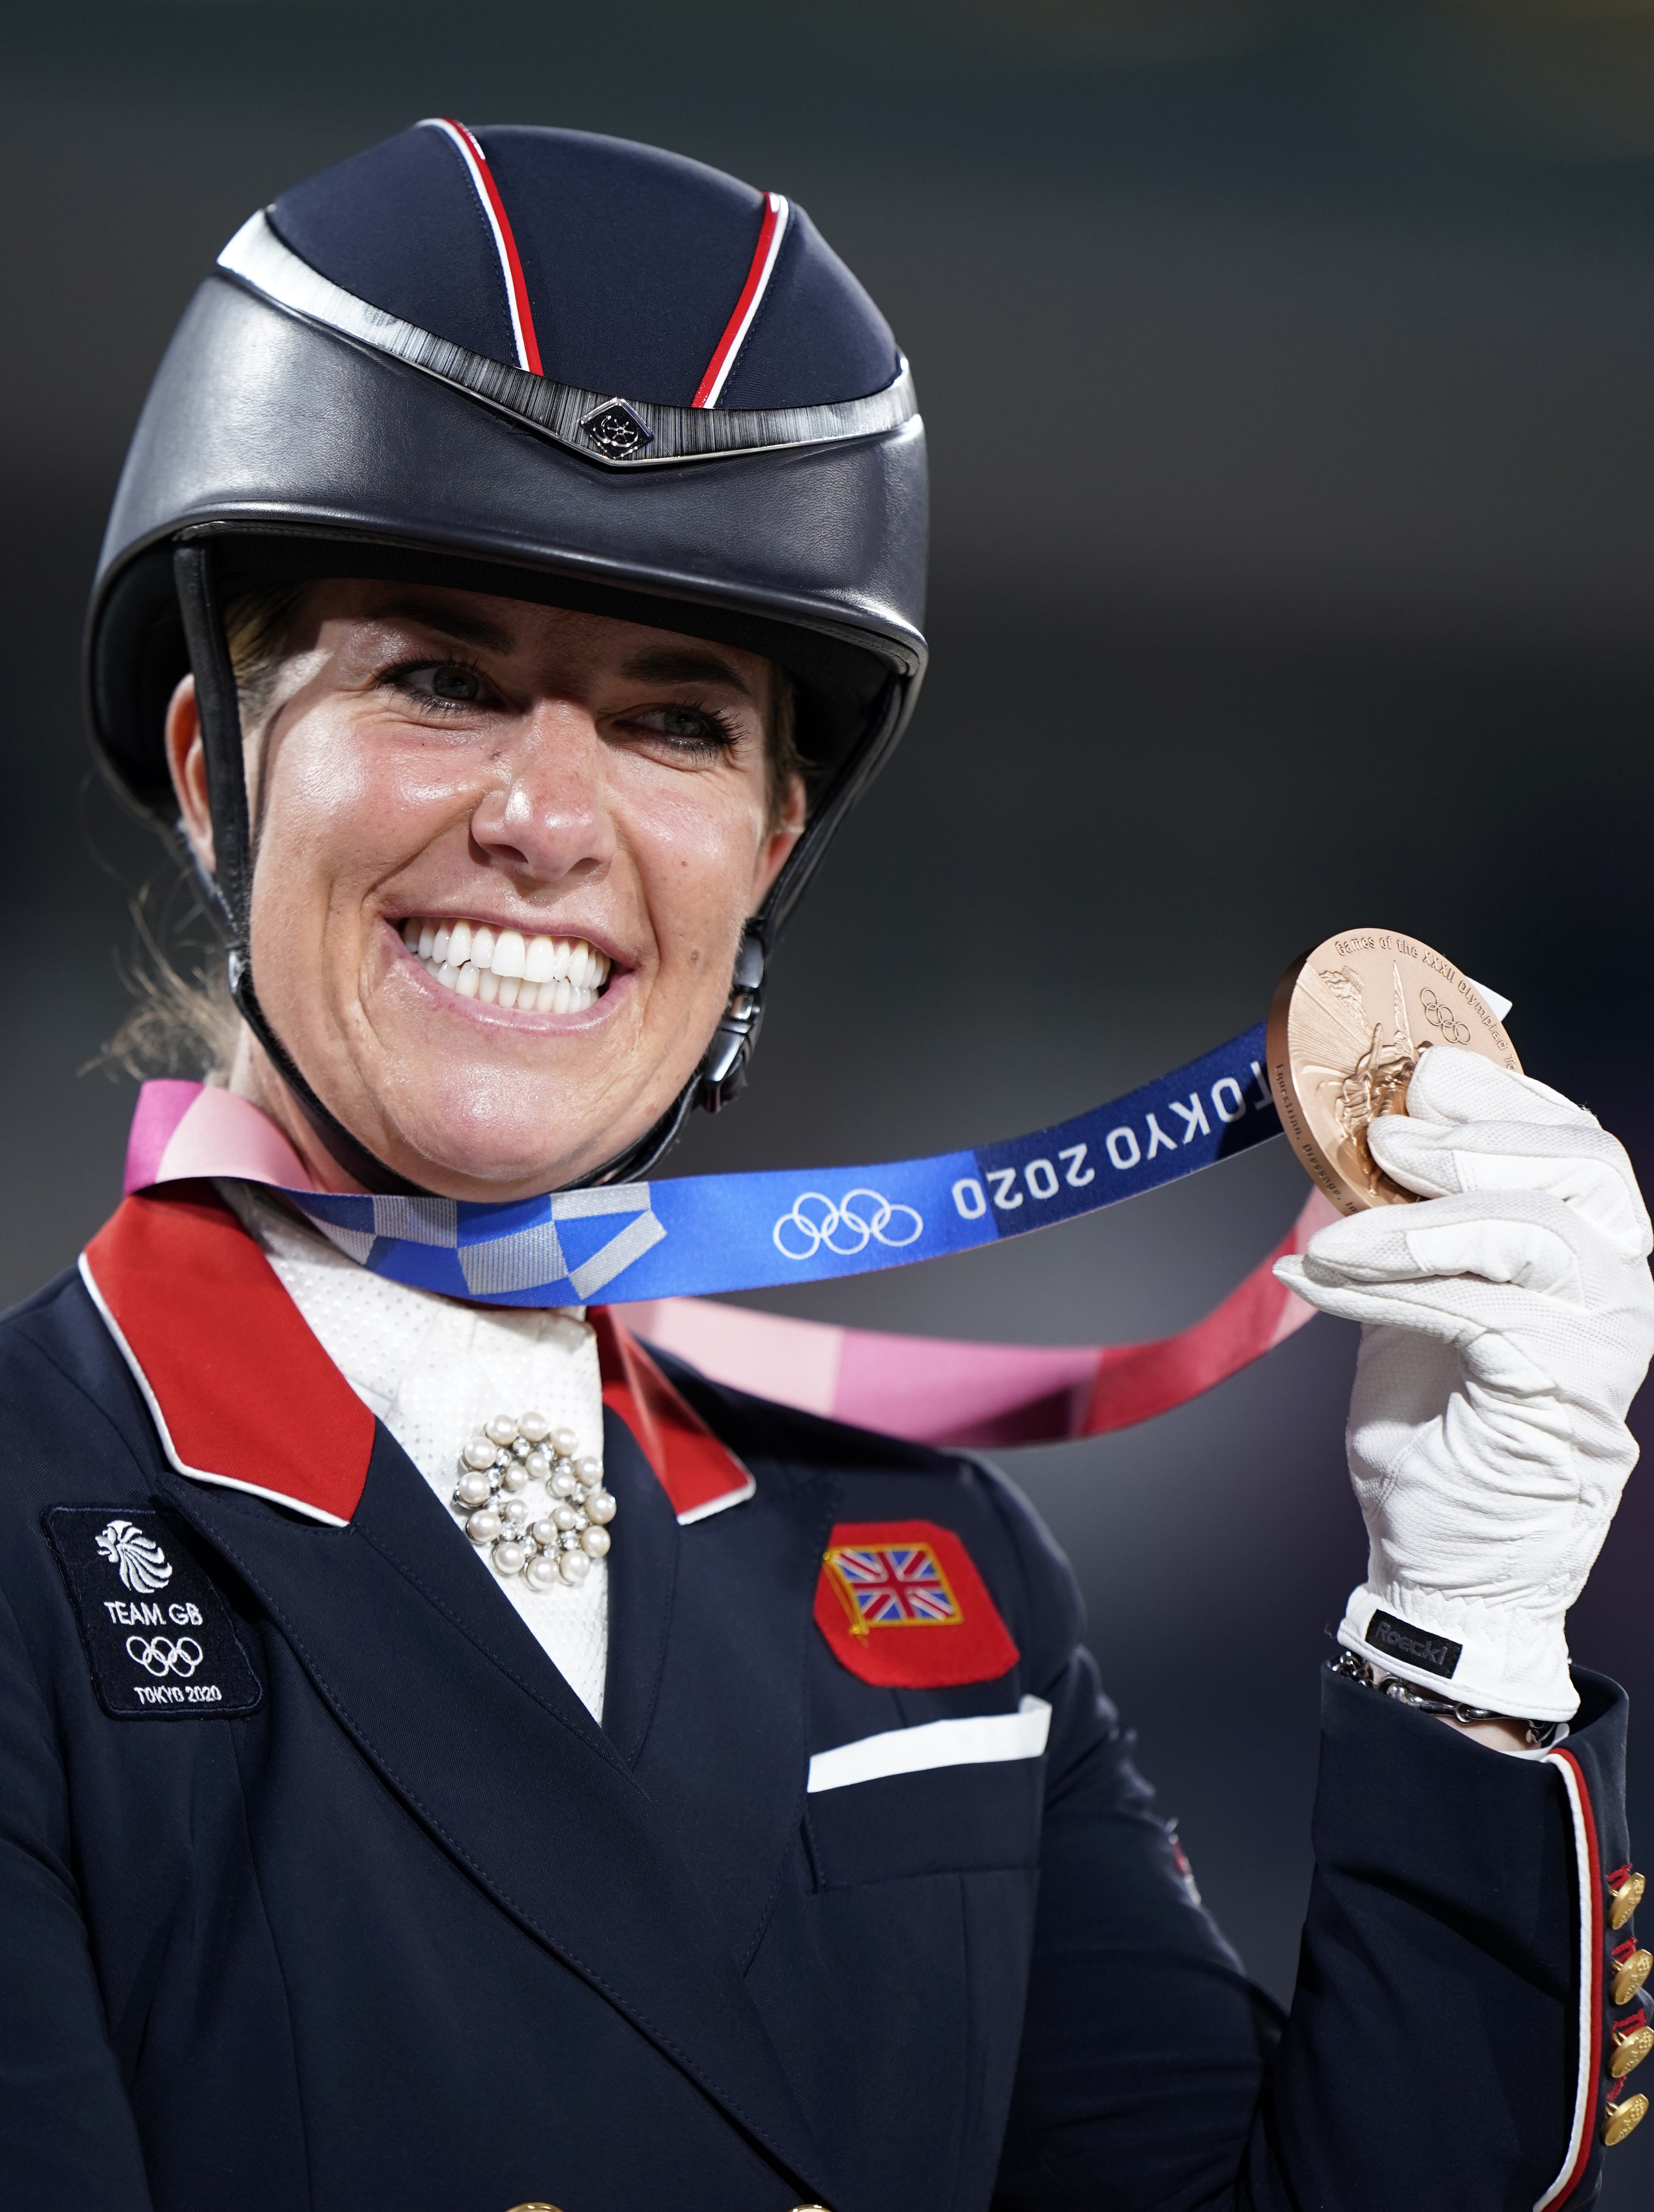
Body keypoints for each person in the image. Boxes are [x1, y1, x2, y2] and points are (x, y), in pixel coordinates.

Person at [1, 120, 1650, 2212]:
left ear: (766, 854)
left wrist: (1467, 1624)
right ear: (215, 776)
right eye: (437, 677)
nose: (546, 814)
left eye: (677, 721)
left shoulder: (942, 1577)